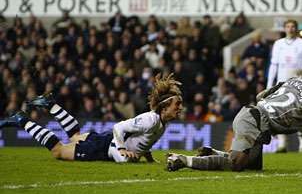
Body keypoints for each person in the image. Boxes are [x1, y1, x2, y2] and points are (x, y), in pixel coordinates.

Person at [166, 65, 302, 176]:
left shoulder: (295, 80)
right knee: (236, 164)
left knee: (253, 166)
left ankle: (213, 153)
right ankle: (183, 160)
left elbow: (261, 95)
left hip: (253, 114)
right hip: (255, 121)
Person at [0, 74, 183, 163]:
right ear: (165, 106)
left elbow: (142, 140)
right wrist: (120, 149)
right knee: (58, 151)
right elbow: (119, 128)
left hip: (105, 143)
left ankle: (51, 104)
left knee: (76, 136)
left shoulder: (161, 123)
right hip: (105, 148)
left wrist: (148, 158)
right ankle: (21, 119)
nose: (180, 108)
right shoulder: (151, 119)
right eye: (177, 105)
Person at [266, 19, 302, 153]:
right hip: (282, 82)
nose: (290, 29)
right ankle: (282, 145)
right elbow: (273, 64)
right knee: (280, 113)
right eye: (288, 26)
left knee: (299, 112)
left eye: (293, 26)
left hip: (298, 82)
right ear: (284, 29)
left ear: (296, 29)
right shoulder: (278, 44)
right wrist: (270, 84)